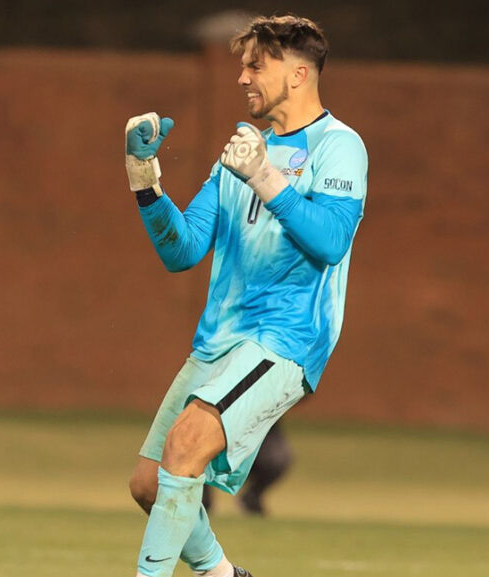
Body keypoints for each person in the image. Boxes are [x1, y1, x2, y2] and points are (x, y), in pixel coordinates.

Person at [123, 14, 368, 577]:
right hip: (221, 340)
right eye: (241, 65)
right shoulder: (243, 150)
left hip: (285, 341)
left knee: (185, 448)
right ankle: (222, 574)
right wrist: (143, 174)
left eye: (256, 64)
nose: (242, 77)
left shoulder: (339, 146)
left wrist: (266, 178)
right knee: (147, 483)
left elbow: (331, 242)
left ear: (299, 73)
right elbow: (181, 250)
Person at [201, 421, 292, 516]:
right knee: (200, 450)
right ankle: (201, 500)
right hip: (216, 427)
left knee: (278, 458)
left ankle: (252, 497)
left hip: (257, 434)